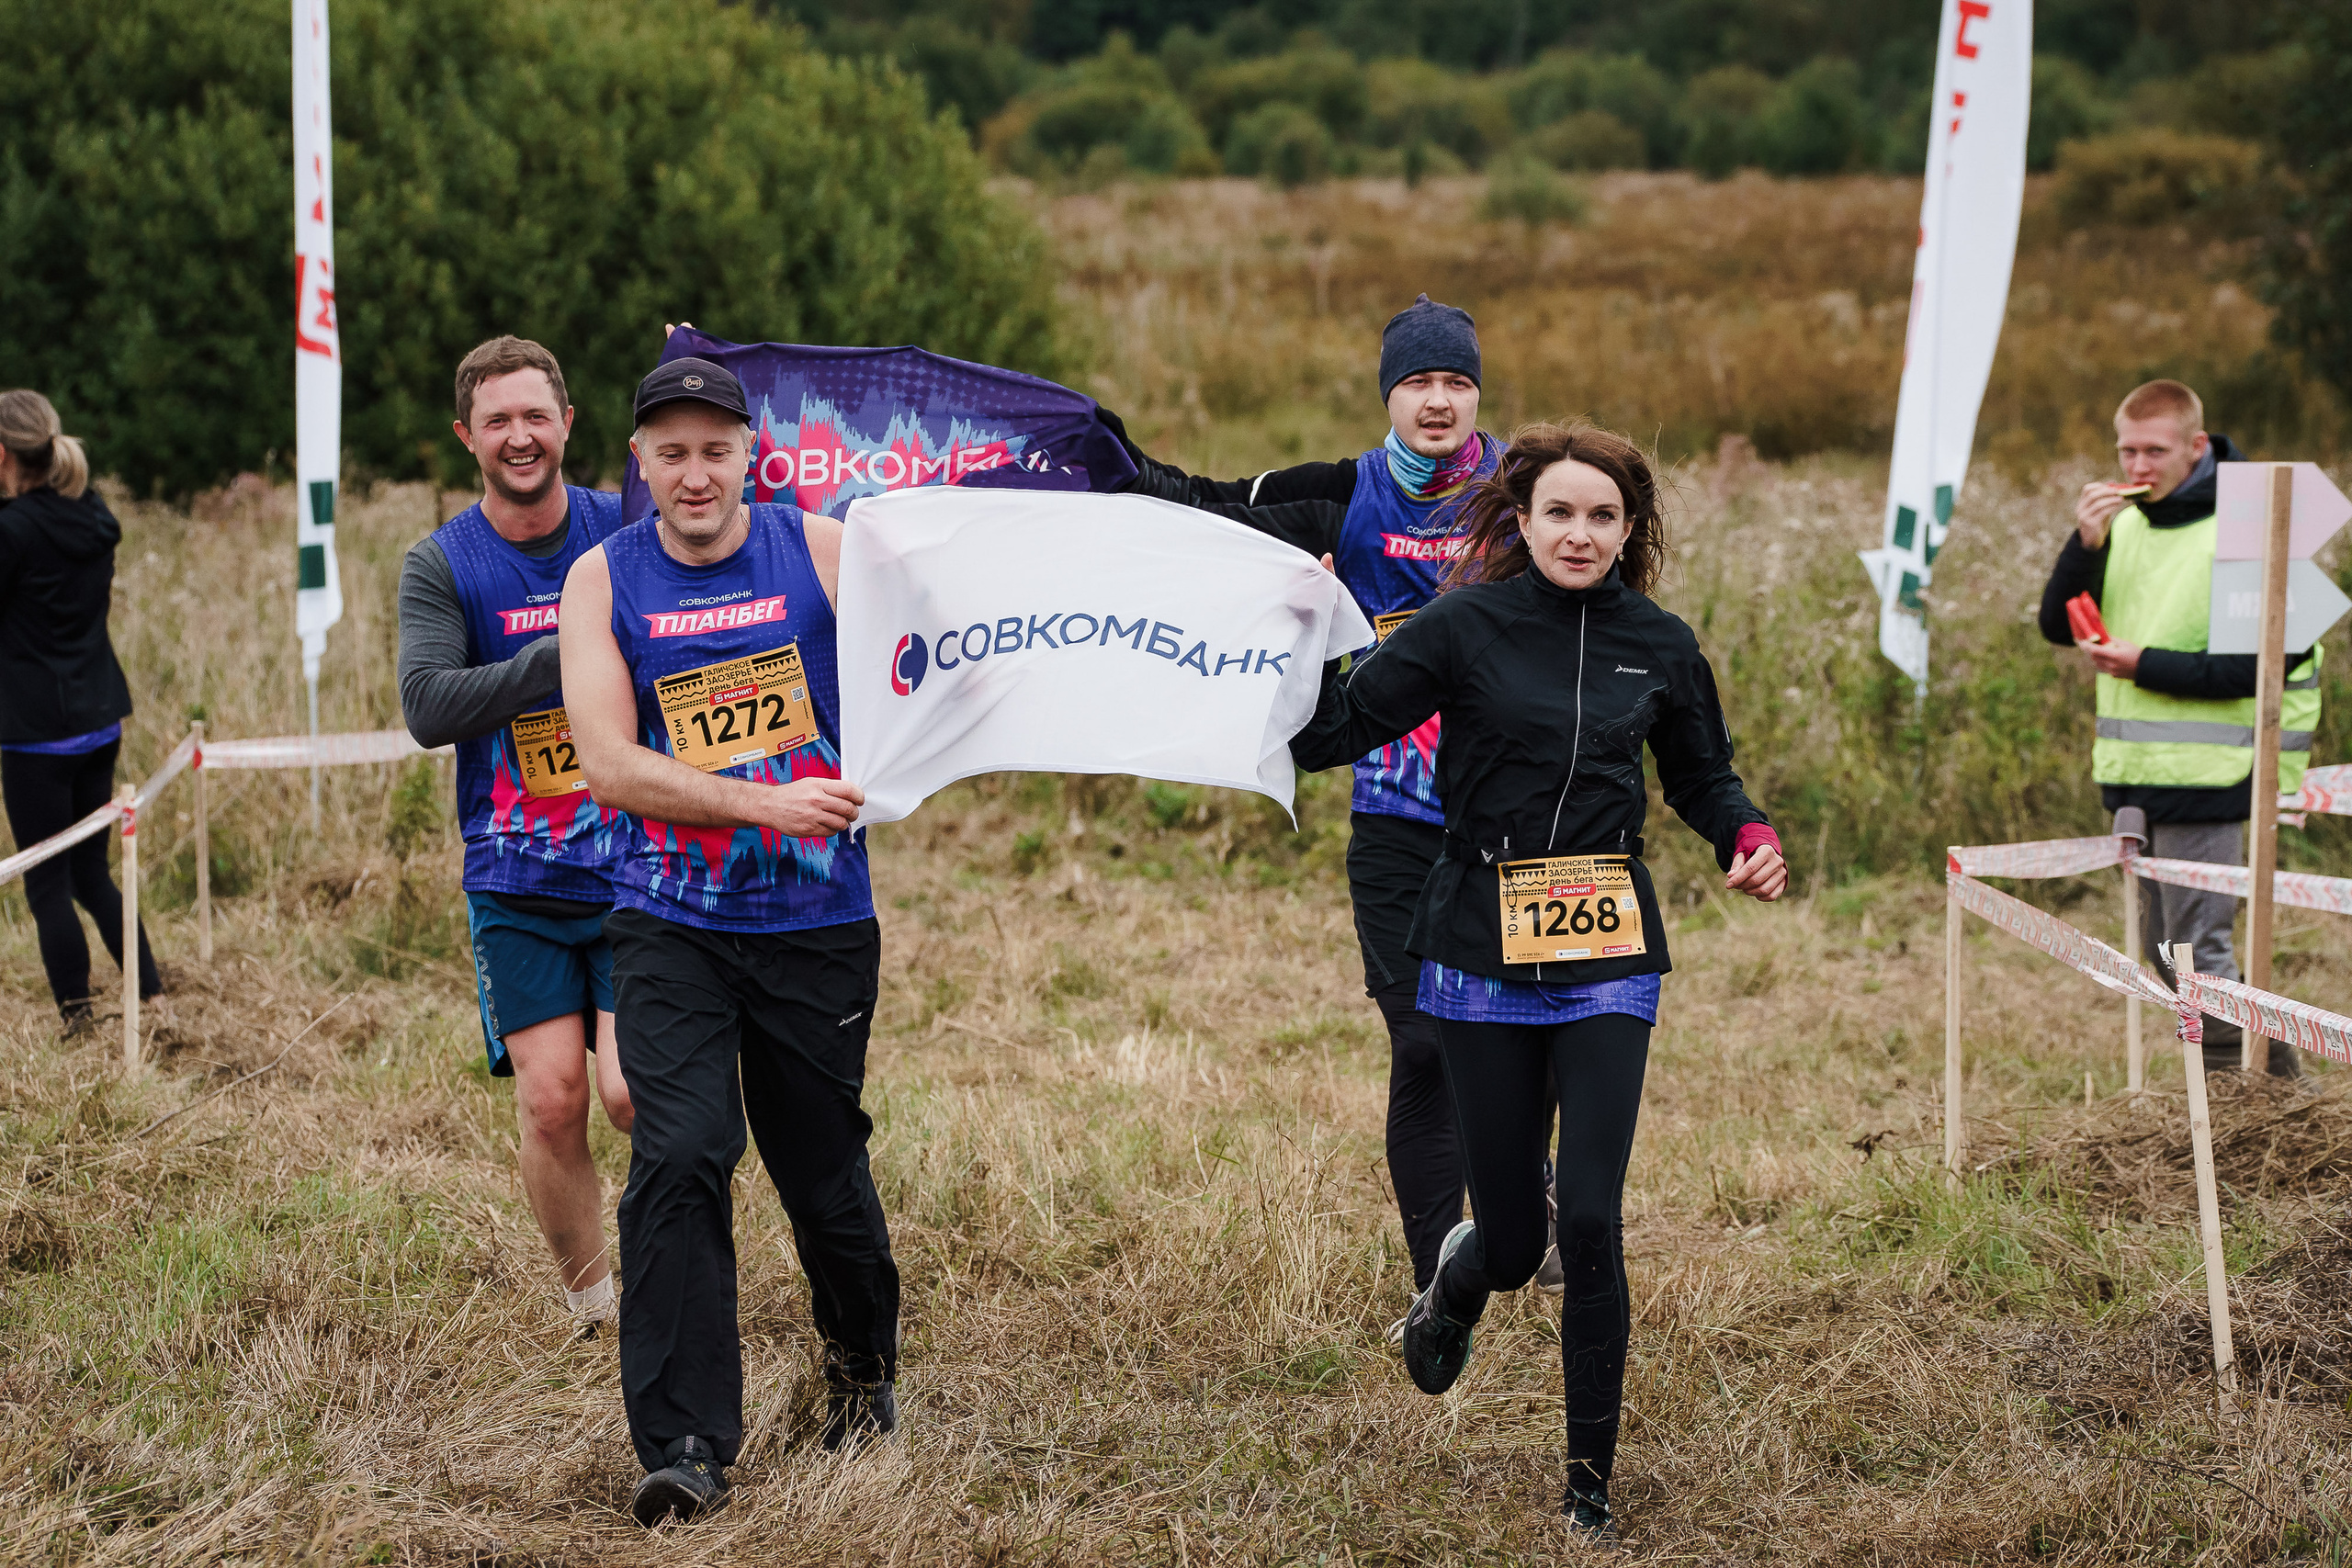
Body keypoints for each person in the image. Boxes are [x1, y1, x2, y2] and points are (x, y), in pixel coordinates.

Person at [1290, 422, 1786, 1540]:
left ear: (1629, 531)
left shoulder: (1657, 643)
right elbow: (1333, 729)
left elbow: (1704, 775)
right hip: (1478, 942)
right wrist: (1302, 626)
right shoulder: (1464, 623)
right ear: (1521, 520)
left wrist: (1742, 832)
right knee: (1515, 1245)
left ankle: (1587, 1491)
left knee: (1595, 1222)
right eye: (1559, 512)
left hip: (1606, 947)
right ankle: (1459, 1283)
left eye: (1602, 516)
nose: (1579, 532)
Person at [1114, 294, 1529, 1316]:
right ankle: (1444, 1266)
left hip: (1518, 822)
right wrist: (1106, 460)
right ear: (1389, 393)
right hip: (1394, 823)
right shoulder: (1344, 495)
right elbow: (1205, 509)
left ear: (1477, 389)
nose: (1438, 401)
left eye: (1456, 381)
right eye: (1417, 382)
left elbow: (1611, 542)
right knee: (1424, 1038)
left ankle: (1531, 1203)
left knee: (1517, 1032)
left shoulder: (1530, 488)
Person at [560, 357, 897, 1526]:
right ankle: (685, 1442)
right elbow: (605, 761)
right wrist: (761, 802)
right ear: (639, 461)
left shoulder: (822, 552)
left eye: (714, 449)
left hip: (816, 924)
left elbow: (952, 661)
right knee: (681, 1154)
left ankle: (861, 1371)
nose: (693, 473)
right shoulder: (601, 579)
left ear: (748, 453)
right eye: (671, 451)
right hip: (670, 920)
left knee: (817, 1168)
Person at [399, 336, 638, 1334]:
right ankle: (593, 1307)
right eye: (497, 420)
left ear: (568, 423)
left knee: (634, 1096)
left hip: (642, 860)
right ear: (468, 438)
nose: (519, 436)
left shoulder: (626, 526)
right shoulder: (443, 562)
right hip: (516, 872)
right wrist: (563, 655)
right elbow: (426, 703)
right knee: (553, 1103)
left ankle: (679, 1268)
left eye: (535, 415)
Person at [2037, 379, 2312, 1078]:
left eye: (2154, 451)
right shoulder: (2122, 523)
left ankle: (2239, 1106)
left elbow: (2265, 668)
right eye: (2126, 449)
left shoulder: (2251, 523)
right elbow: (2053, 625)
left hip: (2212, 774)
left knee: (2201, 949)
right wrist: (2085, 541)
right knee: (2164, 954)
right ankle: (2280, 1076)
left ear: (2196, 445)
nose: (2136, 467)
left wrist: (2143, 664)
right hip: (2132, 772)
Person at [0, 389, 163, 1031]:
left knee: (46, 883)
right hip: (98, 719)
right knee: (93, 874)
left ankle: (78, 1017)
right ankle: (150, 994)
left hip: (37, 734)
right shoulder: (91, 514)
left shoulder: (12, 533)